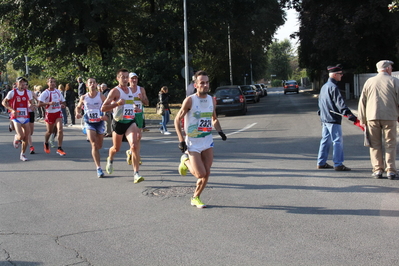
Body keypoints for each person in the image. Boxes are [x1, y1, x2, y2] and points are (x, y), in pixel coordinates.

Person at [174, 70, 227, 208]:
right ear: (196, 85)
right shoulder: (190, 100)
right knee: (200, 174)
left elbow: (213, 118)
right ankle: (185, 161)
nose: (205, 85)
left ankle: (195, 197)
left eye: (207, 82)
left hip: (207, 140)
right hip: (193, 142)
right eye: (202, 83)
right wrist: (181, 140)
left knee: (207, 173)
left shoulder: (211, 99)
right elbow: (176, 120)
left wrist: (220, 131)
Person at [101, 69, 144, 183]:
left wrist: (135, 108)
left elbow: (131, 103)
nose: (125, 79)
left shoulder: (130, 90)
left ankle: (136, 174)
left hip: (130, 122)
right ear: (118, 78)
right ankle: (110, 159)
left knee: (134, 145)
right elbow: (103, 108)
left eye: (126, 77)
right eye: (123, 77)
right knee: (116, 148)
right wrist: (116, 104)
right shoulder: (115, 91)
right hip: (118, 122)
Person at [358, 60, 399, 179]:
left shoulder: (369, 82)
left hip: (372, 117)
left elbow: (362, 101)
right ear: (386, 68)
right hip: (389, 116)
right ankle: (391, 170)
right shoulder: (394, 81)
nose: (391, 69)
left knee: (375, 144)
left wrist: (362, 118)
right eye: (391, 67)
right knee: (390, 143)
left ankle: (377, 169)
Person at [317, 64, 357, 171]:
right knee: (337, 141)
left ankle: (321, 162)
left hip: (325, 118)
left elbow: (320, 102)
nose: (342, 75)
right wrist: (350, 115)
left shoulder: (324, 86)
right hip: (333, 118)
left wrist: (321, 113)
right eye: (340, 74)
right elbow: (340, 104)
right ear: (334, 75)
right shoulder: (333, 87)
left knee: (325, 140)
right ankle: (338, 164)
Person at [76, 78, 107, 178]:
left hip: (100, 122)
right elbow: (78, 107)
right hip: (89, 122)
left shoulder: (100, 96)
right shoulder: (84, 97)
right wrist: (77, 113)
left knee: (99, 145)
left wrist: (105, 114)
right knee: (93, 144)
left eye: (94, 82)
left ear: (96, 84)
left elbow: (107, 105)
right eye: (90, 83)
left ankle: (97, 156)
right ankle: (98, 168)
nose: (92, 84)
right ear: (87, 85)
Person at [2, 77, 35, 161]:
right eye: (21, 82)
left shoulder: (28, 92)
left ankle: (22, 154)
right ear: (17, 84)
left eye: (24, 82)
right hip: (16, 117)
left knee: (26, 137)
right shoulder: (12, 92)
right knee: (21, 135)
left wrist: (31, 106)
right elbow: (3, 102)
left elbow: (30, 102)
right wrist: (12, 110)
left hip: (25, 116)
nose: (23, 84)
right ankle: (16, 137)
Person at [38, 77, 67, 156]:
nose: (53, 83)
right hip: (49, 114)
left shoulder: (58, 92)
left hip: (58, 113)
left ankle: (59, 148)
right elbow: (39, 104)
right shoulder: (45, 93)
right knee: (49, 132)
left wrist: (63, 105)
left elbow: (63, 101)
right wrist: (49, 103)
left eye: (54, 82)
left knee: (60, 130)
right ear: (48, 83)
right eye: (51, 82)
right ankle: (46, 142)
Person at [125, 72, 149, 166]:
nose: (134, 80)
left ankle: (132, 152)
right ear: (128, 80)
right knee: (134, 136)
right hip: (130, 115)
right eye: (132, 78)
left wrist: (142, 98)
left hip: (139, 115)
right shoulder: (126, 90)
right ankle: (136, 155)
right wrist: (132, 105)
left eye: (136, 78)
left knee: (139, 137)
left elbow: (147, 103)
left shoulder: (141, 89)